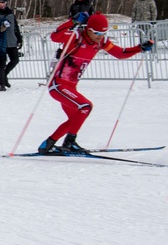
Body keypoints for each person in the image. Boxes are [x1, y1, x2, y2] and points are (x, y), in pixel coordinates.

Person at [38, 13, 153, 155]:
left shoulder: (101, 42)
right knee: (85, 106)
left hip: (71, 87)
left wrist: (139, 48)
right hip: (58, 86)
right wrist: (72, 21)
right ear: (88, 29)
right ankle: (70, 142)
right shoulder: (76, 37)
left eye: (103, 33)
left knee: (75, 119)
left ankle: (47, 145)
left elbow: (120, 53)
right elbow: (54, 37)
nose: (100, 36)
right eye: (97, 33)